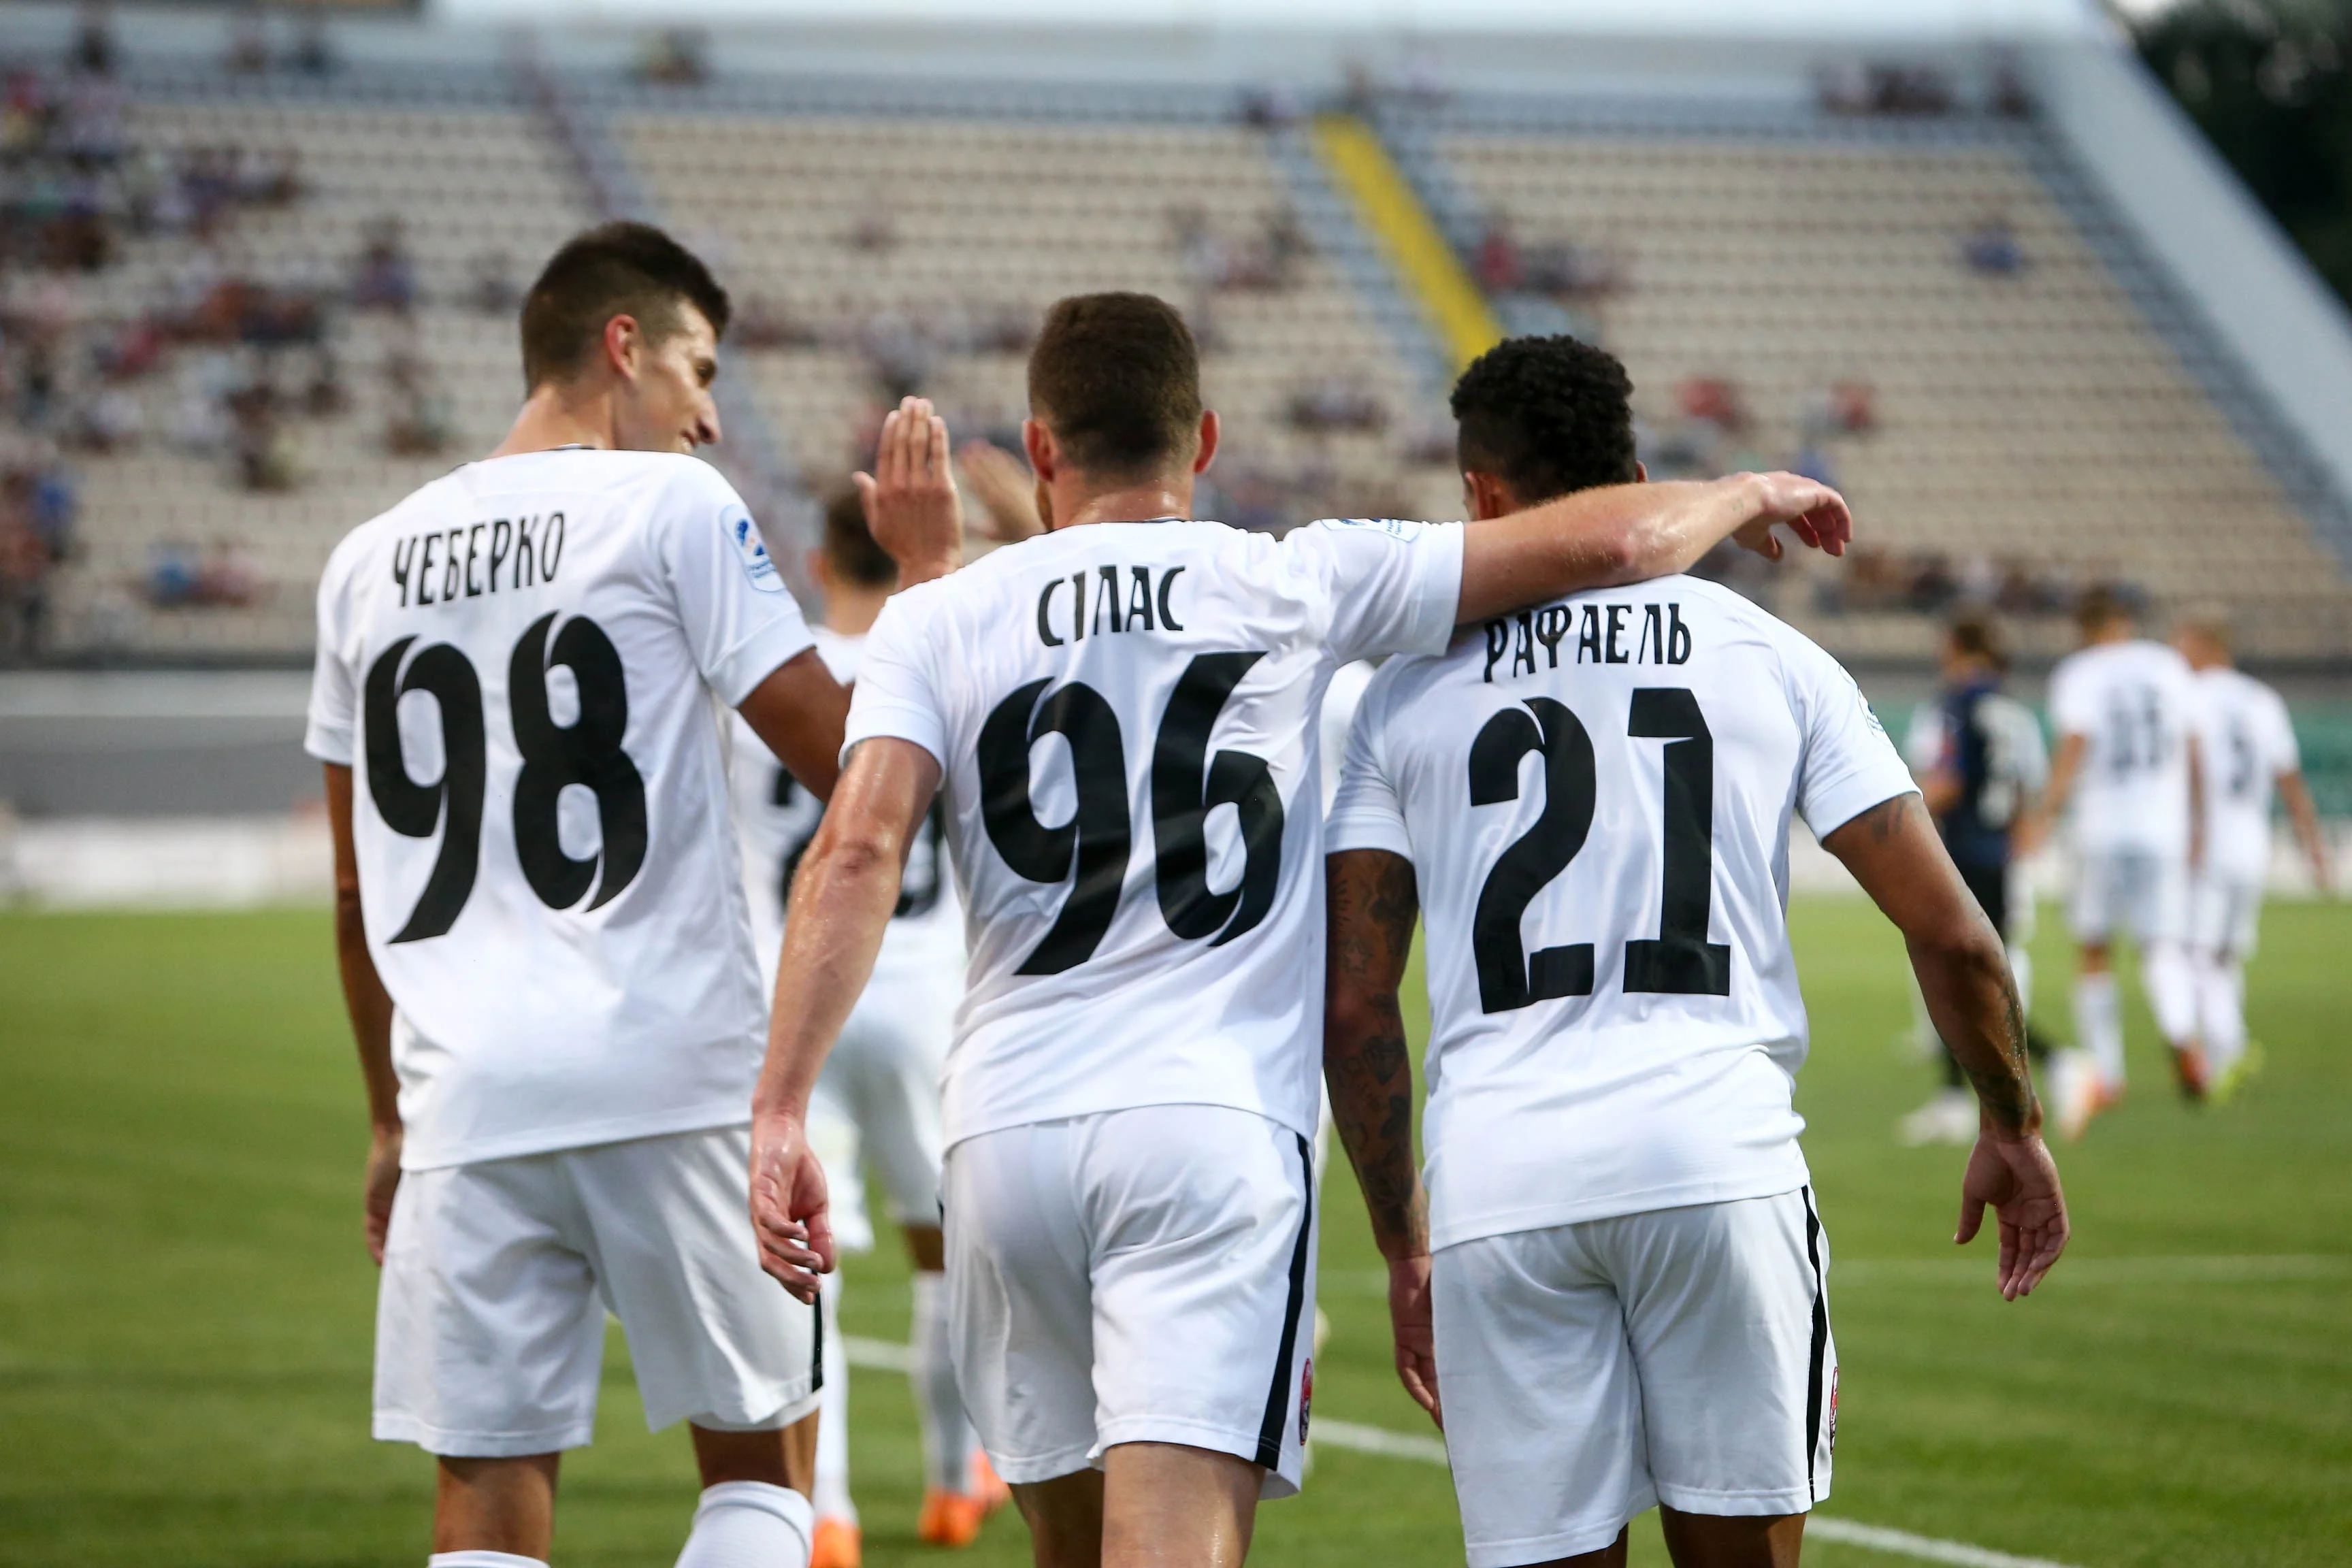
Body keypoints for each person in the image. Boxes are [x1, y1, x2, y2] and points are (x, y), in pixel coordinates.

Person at [744, 293, 1855, 1568]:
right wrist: (1743, 488)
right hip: (1207, 1124)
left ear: (1043, 446)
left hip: (1004, 1133)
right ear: (1205, 439)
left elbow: (858, 847)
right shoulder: (1290, 576)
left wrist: (780, 1107)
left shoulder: (937, 616)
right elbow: (1612, 543)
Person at [1322, 334, 2068, 1568]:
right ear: (1636, 473)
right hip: (1716, 1158)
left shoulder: (1398, 696)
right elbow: (1954, 933)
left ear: (1480, 497)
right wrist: (2012, 1120)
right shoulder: (1768, 654)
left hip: (1500, 1178)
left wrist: (1404, 1243)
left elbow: (1357, 1007)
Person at [305, 221, 957, 1568]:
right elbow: (847, 758)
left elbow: (356, 888)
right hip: (669, 1069)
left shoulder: (364, 560)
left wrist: (386, 1116)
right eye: (698, 369)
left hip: (461, 1095)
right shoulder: (672, 507)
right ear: (623, 347)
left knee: (484, 1503)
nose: (709, 416)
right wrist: (933, 589)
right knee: (764, 1472)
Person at [727, 489, 1004, 1568]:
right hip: (922, 991)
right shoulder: (945, 658)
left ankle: (827, 1511)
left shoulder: (765, 678)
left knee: (805, 1266)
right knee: (950, 1257)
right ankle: (954, 1483)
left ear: (816, 560)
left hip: (793, 996)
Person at [2017, 587, 2205, 1139]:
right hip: (2163, 825)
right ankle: (2183, 1038)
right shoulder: (2168, 665)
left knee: (2094, 947)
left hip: (2101, 824)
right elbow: (2192, 746)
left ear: (2086, 627)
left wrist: (2044, 815)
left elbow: (2075, 743)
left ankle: (2108, 1074)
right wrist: (2197, 819)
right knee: (2162, 944)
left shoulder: (2080, 673)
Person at [1897, 612, 2048, 1145]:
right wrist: (2022, 836)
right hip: (1998, 855)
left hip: (1959, 851)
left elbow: (1948, 779)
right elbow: (2027, 786)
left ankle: (2036, 1069)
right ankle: (1971, 1094)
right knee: (1985, 969)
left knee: (1954, 973)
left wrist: (1900, 819)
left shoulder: (1955, 705)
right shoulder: (2014, 710)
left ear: (1958, 647)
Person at [2176, 610, 2332, 1098]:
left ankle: (2231, 1043)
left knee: (2195, 953)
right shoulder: (2263, 700)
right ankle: (2224, 1058)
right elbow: (2290, 780)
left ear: (2205, 645)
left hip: (2207, 842)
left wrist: (2192, 832)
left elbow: (2189, 769)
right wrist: (2313, 846)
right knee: (2226, 956)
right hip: (2252, 843)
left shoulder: (2190, 696)